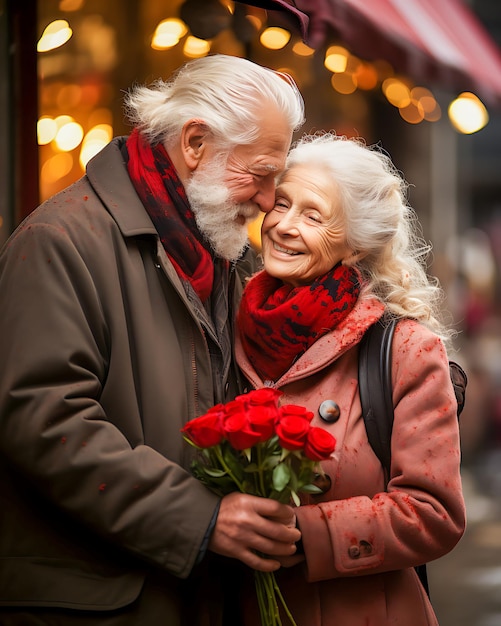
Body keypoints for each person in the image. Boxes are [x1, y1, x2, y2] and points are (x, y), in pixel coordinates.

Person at [0, 54, 305, 625]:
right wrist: (201, 519)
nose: (268, 201)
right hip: (100, 604)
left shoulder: (215, 245)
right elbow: (43, 420)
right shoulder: (58, 241)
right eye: (260, 174)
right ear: (194, 143)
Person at [235, 133, 466, 626]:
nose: (284, 225)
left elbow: (434, 513)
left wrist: (307, 534)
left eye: (313, 216)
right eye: (281, 203)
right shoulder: (225, 323)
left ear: (355, 242)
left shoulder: (405, 348)